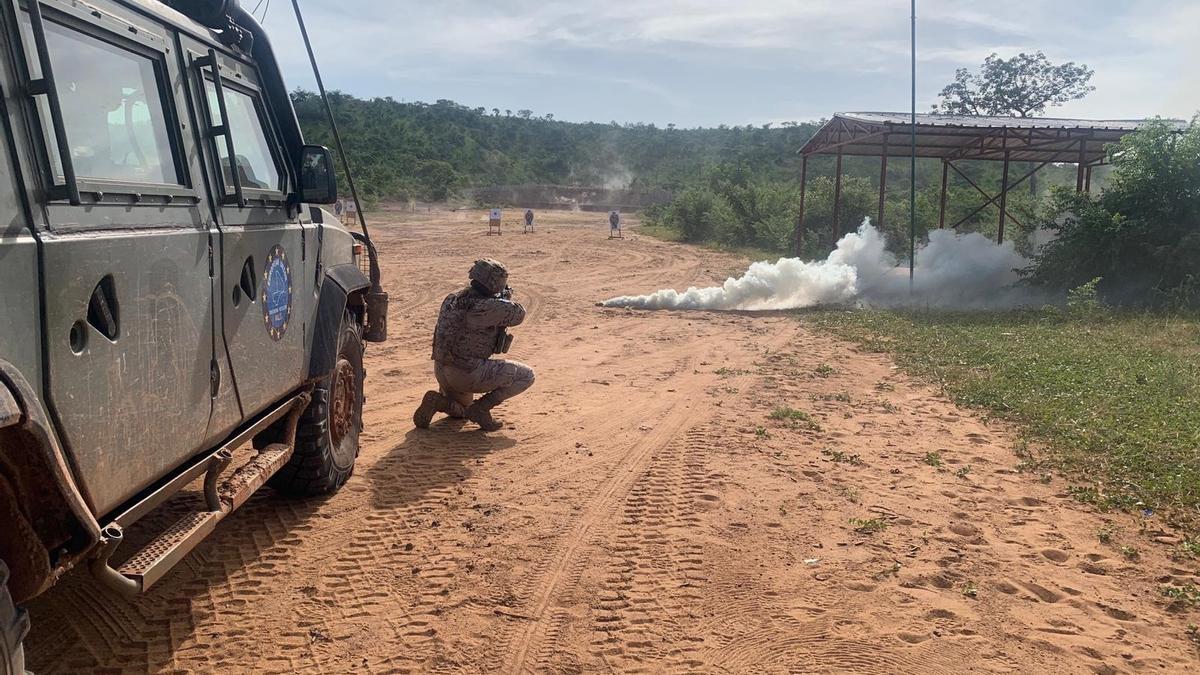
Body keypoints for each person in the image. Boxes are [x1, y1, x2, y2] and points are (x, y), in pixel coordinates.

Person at [413, 259, 535, 431]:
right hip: (467, 373)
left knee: (461, 410)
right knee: (527, 376)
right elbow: (519, 314)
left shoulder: (452, 299)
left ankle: (439, 401)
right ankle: (482, 409)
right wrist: (503, 299)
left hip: (442, 369)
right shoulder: (486, 306)